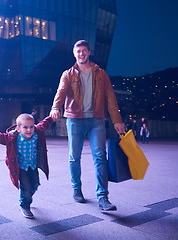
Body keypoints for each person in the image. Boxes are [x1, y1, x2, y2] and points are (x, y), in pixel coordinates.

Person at [49, 40, 125, 211]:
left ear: (89, 52)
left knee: (100, 157)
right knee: (74, 156)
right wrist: (55, 107)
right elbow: (60, 92)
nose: (81, 53)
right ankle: (77, 189)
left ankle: (103, 197)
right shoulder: (68, 74)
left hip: (97, 120)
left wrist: (117, 120)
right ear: (74, 54)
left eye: (84, 50)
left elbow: (110, 98)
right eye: (78, 51)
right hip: (75, 119)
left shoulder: (101, 74)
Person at [0, 114, 53, 219]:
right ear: (18, 128)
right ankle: (25, 205)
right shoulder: (11, 138)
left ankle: (26, 195)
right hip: (20, 168)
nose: (29, 130)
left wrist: (52, 116)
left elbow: (45, 123)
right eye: (25, 127)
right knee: (26, 187)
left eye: (31, 127)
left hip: (33, 166)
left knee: (35, 184)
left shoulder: (37, 134)